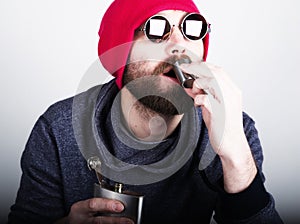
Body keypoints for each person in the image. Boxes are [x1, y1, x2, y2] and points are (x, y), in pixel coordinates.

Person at [8, 0, 284, 223]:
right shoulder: (59, 128)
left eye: (192, 29)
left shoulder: (234, 128)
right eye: (156, 29)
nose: (180, 44)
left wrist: (236, 158)